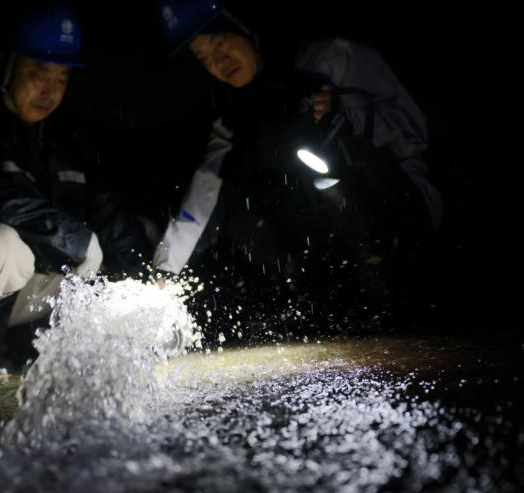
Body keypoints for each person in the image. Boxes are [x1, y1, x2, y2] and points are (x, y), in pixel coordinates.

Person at [154, 0, 441, 324]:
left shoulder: (331, 59)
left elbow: (414, 135)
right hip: (325, 241)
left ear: (245, 28)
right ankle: (309, 297)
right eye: (204, 58)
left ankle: (392, 284)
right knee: (237, 196)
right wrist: (164, 269)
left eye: (220, 43)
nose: (219, 62)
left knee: (324, 164)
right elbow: (203, 195)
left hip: (400, 214)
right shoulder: (234, 121)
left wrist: (348, 116)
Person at [0, 4, 151, 376]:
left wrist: (143, 279)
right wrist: (73, 239)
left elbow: (108, 211)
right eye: (38, 72)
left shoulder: (69, 139)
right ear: (3, 63)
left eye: (62, 77)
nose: (50, 90)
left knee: (141, 240)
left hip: (36, 290)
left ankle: (65, 351)